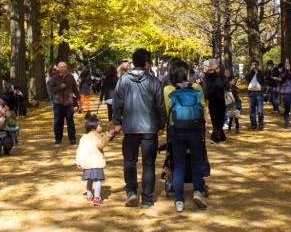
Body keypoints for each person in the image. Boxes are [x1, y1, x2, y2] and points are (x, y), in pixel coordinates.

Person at [110, 48, 166, 209]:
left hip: (130, 127)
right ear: (147, 63)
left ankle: (131, 192)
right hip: (150, 127)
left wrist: (117, 121)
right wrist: (161, 124)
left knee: (129, 160)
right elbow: (160, 105)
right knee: (148, 164)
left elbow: (117, 102)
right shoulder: (153, 81)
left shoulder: (124, 80)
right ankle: (147, 199)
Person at [164, 60, 208, 212]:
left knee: (178, 164)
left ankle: (179, 200)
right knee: (197, 161)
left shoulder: (168, 89)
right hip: (195, 129)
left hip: (177, 130)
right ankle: (197, 191)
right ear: (187, 73)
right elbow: (203, 106)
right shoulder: (196, 87)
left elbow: (167, 110)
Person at [76, 112, 114, 206]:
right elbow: (101, 144)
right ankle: (97, 197)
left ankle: (89, 195)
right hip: (96, 163)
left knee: (89, 180)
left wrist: (78, 161)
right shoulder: (96, 136)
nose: (101, 127)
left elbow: (79, 150)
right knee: (97, 181)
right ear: (94, 128)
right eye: (100, 126)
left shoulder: (83, 138)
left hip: (87, 163)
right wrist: (108, 135)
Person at [47, 61, 80, 145]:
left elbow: (75, 88)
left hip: (69, 103)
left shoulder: (70, 77)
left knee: (70, 122)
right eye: (61, 67)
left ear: (66, 68)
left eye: (64, 67)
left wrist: (78, 97)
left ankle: (72, 138)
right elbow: (50, 89)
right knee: (58, 122)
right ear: (58, 68)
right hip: (58, 104)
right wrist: (59, 87)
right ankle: (58, 138)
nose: (63, 68)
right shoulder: (55, 78)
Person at [203, 59, 227, 143]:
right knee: (220, 119)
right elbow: (227, 86)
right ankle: (215, 137)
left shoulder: (206, 77)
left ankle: (221, 137)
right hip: (220, 100)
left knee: (214, 119)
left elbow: (204, 88)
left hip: (211, 100)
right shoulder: (222, 76)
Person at [245, 59, 265, 130]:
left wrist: (257, 72)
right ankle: (253, 125)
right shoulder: (250, 73)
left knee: (260, 111)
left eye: (255, 65)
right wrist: (252, 71)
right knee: (252, 111)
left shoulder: (261, 73)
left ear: (258, 66)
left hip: (259, 94)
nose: (254, 66)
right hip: (251, 94)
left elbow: (260, 80)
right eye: (253, 65)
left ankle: (261, 125)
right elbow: (247, 78)